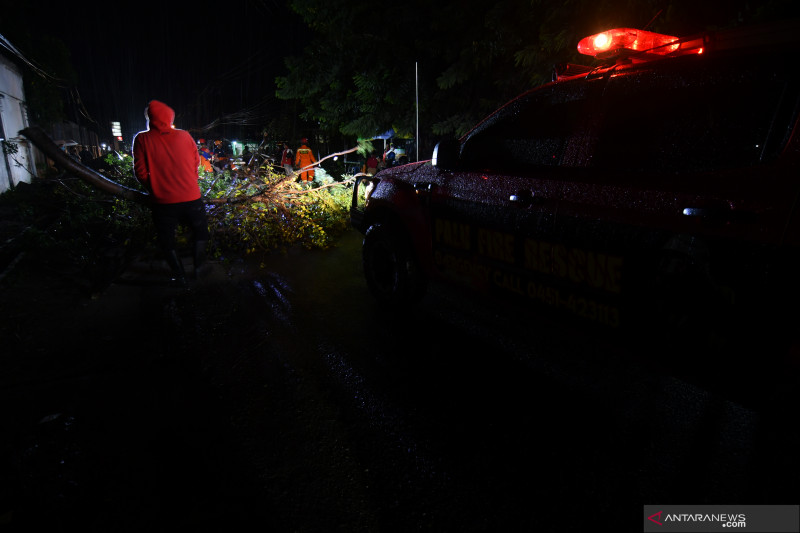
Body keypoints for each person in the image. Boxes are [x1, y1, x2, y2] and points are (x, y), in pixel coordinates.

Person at [133, 100, 210, 286]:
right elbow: (195, 163)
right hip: (192, 197)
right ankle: (198, 269)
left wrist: (156, 188)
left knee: (166, 240)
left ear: (149, 118)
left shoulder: (142, 139)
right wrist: (189, 181)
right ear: (170, 116)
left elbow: (140, 173)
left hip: (163, 202)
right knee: (201, 232)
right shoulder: (184, 136)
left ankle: (180, 275)